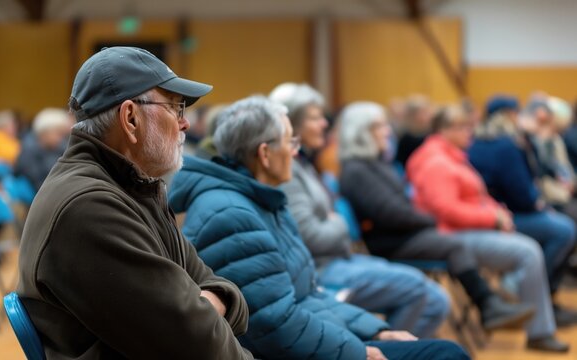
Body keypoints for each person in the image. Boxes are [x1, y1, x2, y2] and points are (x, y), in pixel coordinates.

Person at [169, 95, 470, 360]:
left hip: (304, 339)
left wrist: (375, 332)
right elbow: (274, 325)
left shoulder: (263, 200)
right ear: (264, 154)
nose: (296, 151)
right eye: (290, 141)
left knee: (440, 349)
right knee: (445, 353)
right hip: (279, 350)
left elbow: (308, 294)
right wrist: (357, 350)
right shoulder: (231, 213)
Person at [17, 47, 253, 359]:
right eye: (175, 108)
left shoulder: (133, 187)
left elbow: (220, 290)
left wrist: (212, 304)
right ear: (130, 118)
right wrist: (206, 310)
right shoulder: (91, 208)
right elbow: (197, 346)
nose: (184, 125)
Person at [270, 82, 449, 338]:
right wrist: (340, 223)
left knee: (435, 298)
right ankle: (386, 350)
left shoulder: (305, 165)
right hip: (321, 268)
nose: (325, 124)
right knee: (421, 289)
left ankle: (390, 349)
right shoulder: (290, 172)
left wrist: (335, 221)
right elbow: (310, 235)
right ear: (292, 123)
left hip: (339, 257)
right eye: (315, 118)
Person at [338, 101, 535, 332]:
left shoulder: (374, 164)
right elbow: (390, 214)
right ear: (362, 133)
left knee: (453, 244)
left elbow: (400, 209)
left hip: (404, 233)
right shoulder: (357, 171)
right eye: (380, 127)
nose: (387, 131)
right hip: (391, 241)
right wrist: (430, 219)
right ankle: (488, 305)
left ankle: (490, 304)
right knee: (453, 246)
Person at [407, 104, 569, 352]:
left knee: (534, 244)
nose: (470, 133)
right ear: (444, 130)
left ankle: (520, 305)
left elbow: (477, 197)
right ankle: (537, 328)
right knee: (528, 251)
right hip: (452, 235)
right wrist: (492, 219)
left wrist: (498, 212)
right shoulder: (436, 162)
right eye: (463, 127)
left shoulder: (452, 155)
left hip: (467, 229)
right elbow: (446, 211)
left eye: (470, 127)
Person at [468, 96, 577, 325]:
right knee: (563, 229)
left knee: (564, 219)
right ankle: (537, 297)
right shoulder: (507, 145)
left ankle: (540, 295)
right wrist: (539, 203)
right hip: (502, 216)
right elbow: (524, 195)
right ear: (511, 116)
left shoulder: (484, 139)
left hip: (499, 212)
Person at [15, 108, 71, 191]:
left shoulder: (58, 148)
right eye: (59, 134)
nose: (61, 139)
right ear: (44, 132)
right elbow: (38, 183)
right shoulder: (29, 151)